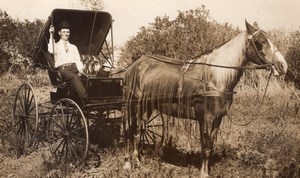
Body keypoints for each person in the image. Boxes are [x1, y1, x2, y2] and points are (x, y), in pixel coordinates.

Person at [48, 21, 87, 100]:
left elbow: (78, 60)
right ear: (59, 33)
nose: (66, 34)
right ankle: (85, 99)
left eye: (68, 32)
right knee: (74, 77)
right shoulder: (55, 45)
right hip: (63, 71)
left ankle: (89, 98)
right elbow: (51, 50)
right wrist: (51, 34)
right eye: (64, 32)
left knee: (87, 79)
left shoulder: (73, 47)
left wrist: (81, 71)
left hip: (75, 69)